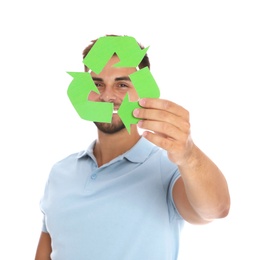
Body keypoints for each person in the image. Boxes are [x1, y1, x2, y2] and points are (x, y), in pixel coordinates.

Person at [35, 34, 231, 260]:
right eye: (97, 83)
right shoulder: (60, 172)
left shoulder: (166, 169)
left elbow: (216, 209)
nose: (107, 96)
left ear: (143, 91)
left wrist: (189, 155)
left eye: (122, 84)